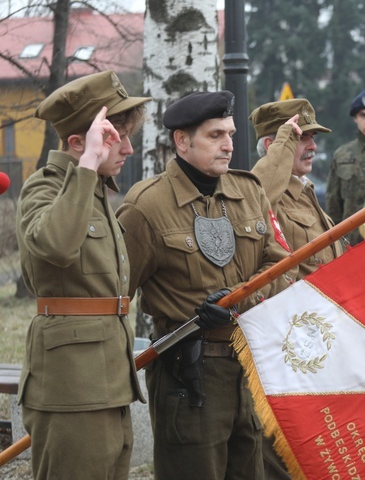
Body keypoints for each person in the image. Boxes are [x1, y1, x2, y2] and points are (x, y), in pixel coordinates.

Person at [116, 91, 292, 479]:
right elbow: (116, 293)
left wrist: (245, 299)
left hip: (249, 366)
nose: (229, 144)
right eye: (215, 135)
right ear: (182, 141)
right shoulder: (147, 206)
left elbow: (281, 265)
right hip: (188, 371)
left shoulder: (248, 190)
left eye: (230, 133)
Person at [15, 70, 149, 479]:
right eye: (114, 137)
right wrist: (89, 163)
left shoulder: (95, 192)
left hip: (108, 379)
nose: (127, 148)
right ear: (78, 143)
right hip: (70, 385)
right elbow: (56, 245)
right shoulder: (46, 188)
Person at [251, 98, 343, 276]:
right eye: (301, 138)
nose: (313, 146)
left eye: (312, 137)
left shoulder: (304, 189)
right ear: (272, 146)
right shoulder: (266, 191)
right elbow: (257, 197)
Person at [326, 87, 365, 245]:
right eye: (363, 115)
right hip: (351, 245)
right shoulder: (342, 155)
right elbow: (333, 206)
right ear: (355, 118)